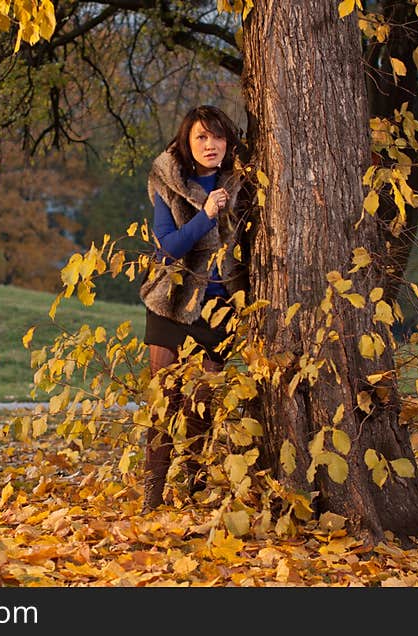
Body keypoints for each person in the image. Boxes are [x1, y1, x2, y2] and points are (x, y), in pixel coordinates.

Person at [139, 105, 251, 512]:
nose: (210, 144)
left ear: (228, 141)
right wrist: (206, 215)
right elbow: (167, 248)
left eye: (218, 137)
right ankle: (152, 492)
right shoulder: (169, 181)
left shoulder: (243, 183)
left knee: (203, 402)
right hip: (171, 301)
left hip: (219, 306)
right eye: (201, 137)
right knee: (163, 399)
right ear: (187, 141)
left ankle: (193, 483)